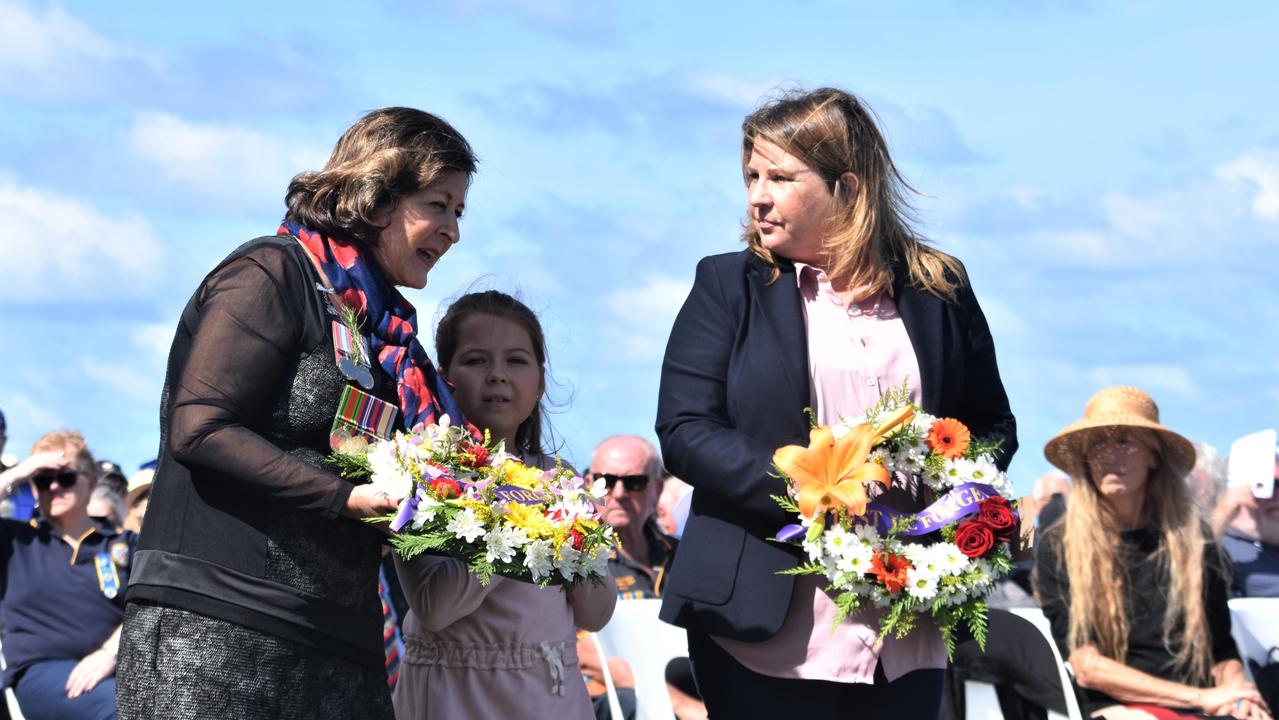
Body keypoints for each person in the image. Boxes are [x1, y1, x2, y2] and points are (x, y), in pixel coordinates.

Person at [655, 86, 1017, 717]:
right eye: (751, 176)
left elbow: (989, 427)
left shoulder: (940, 286)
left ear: (847, 187)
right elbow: (685, 428)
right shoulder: (724, 284)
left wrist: (954, 500)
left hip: (909, 621)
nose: (756, 196)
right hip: (763, 625)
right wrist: (810, 488)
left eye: (780, 177)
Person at [115, 107, 477, 720]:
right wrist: (345, 498)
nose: (453, 230)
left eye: (459, 211)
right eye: (438, 205)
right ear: (378, 196)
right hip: (219, 629)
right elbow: (199, 426)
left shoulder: (386, 334)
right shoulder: (270, 272)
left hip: (340, 639)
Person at [391, 290, 617, 719]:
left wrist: (573, 543)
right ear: (445, 377)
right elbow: (434, 608)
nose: (497, 375)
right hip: (455, 697)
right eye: (477, 360)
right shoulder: (423, 472)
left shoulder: (561, 477)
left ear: (540, 381)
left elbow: (597, 611)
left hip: (551, 695)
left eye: (516, 360)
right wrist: (519, 520)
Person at [1034, 386, 1270, 720]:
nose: (1109, 454)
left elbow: (1221, 647)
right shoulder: (1063, 544)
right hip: (1117, 707)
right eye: (1098, 443)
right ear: (1086, 458)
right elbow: (1087, 666)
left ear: (1154, 457)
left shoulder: (1191, 537)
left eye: (1125, 442)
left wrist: (1239, 695)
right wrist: (1203, 697)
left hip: (1202, 702)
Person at [0, 430, 135, 720]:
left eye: (65, 477)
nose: (53, 486)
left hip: (121, 668)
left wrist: (109, 653)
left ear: (92, 483)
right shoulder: (14, 539)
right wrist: (18, 473)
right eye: (41, 478)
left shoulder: (126, 543)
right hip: (41, 672)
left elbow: (154, 604)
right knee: (122, 711)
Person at [1211, 450, 1279, 598]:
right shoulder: (1222, 547)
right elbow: (1187, 573)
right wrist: (1222, 515)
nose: (1276, 497)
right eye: (1271, 485)